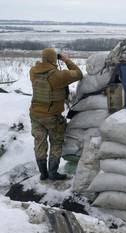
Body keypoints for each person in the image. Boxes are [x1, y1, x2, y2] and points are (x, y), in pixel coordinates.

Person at [29, 48, 83, 181]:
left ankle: (43, 173)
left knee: (39, 143)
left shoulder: (33, 71)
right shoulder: (59, 76)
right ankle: (53, 173)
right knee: (56, 143)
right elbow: (79, 73)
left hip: (35, 115)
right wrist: (66, 60)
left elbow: (40, 68)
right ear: (54, 59)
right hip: (52, 116)